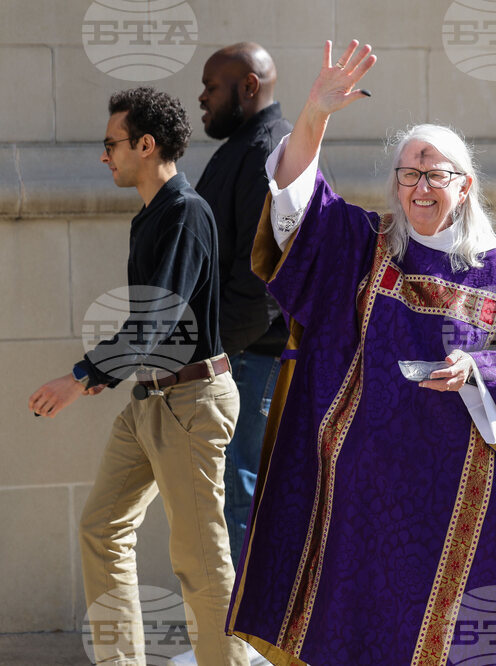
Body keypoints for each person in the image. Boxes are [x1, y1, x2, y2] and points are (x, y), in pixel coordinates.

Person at [225, 41, 496, 664]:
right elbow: (296, 202)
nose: (420, 187)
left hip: (452, 502)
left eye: (435, 175)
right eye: (409, 174)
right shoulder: (366, 245)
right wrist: (315, 115)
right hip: (361, 501)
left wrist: (476, 369)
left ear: (465, 186)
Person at [28, 87, 249, 666]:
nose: (105, 156)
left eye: (112, 144)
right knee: (101, 528)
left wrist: (81, 376)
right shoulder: (152, 215)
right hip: (151, 399)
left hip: (191, 400)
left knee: (200, 560)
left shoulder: (185, 213)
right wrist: (104, 375)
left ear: (146, 145)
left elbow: (157, 321)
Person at [196, 42, 293, 563]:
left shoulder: (267, 152)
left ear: (248, 86)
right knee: (234, 494)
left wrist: (211, 352)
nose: (202, 97)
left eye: (212, 87)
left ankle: (247, 619)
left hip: (251, 358)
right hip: (239, 356)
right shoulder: (246, 146)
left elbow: (262, 283)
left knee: (241, 497)